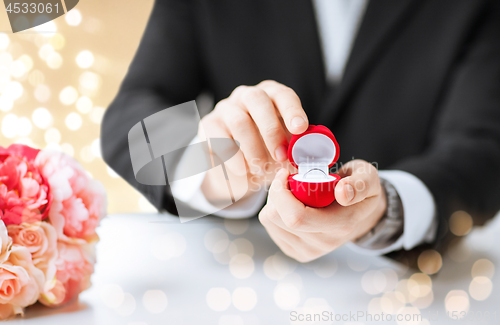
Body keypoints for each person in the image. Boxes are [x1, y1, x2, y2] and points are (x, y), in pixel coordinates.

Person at [101, 0, 500, 267]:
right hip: (232, 272)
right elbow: (133, 110)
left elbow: (483, 149)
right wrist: (202, 164)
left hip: (404, 289)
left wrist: (388, 209)